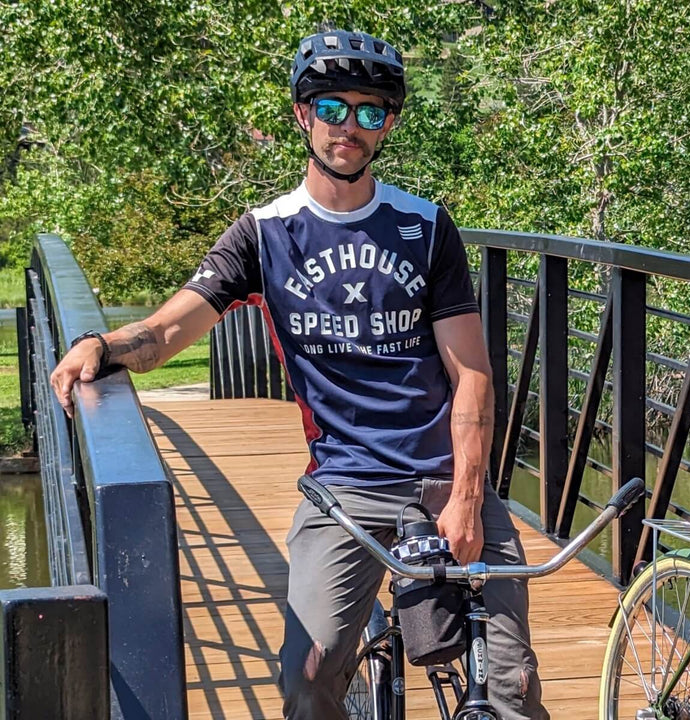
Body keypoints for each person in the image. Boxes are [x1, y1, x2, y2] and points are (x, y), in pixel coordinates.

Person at [51, 30, 549, 720]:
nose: (350, 125)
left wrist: (466, 497)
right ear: (303, 115)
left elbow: (472, 375)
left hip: (444, 479)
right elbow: (165, 333)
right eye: (333, 108)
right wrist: (99, 345)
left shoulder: (425, 226)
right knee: (306, 677)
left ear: (389, 124)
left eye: (371, 111)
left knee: (511, 691)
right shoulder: (264, 233)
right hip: (343, 489)